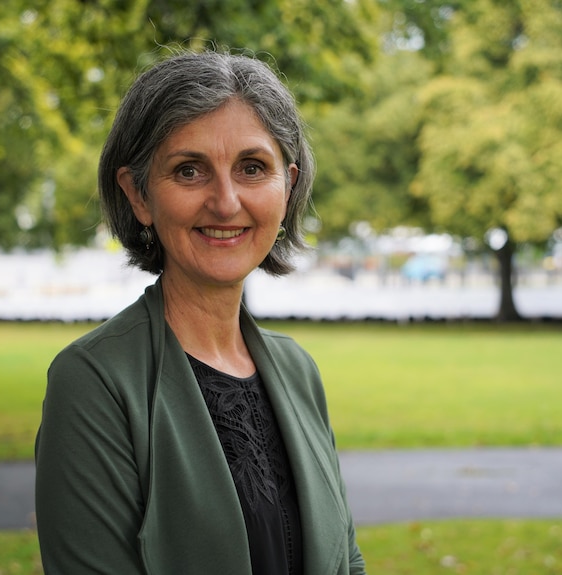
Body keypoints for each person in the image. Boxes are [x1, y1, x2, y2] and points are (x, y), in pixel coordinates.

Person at [35, 49, 366, 575]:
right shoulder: (95, 383)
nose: (226, 201)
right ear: (138, 195)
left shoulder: (298, 371)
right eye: (189, 170)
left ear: (289, 185)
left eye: (253, 168)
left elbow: (345, 558)